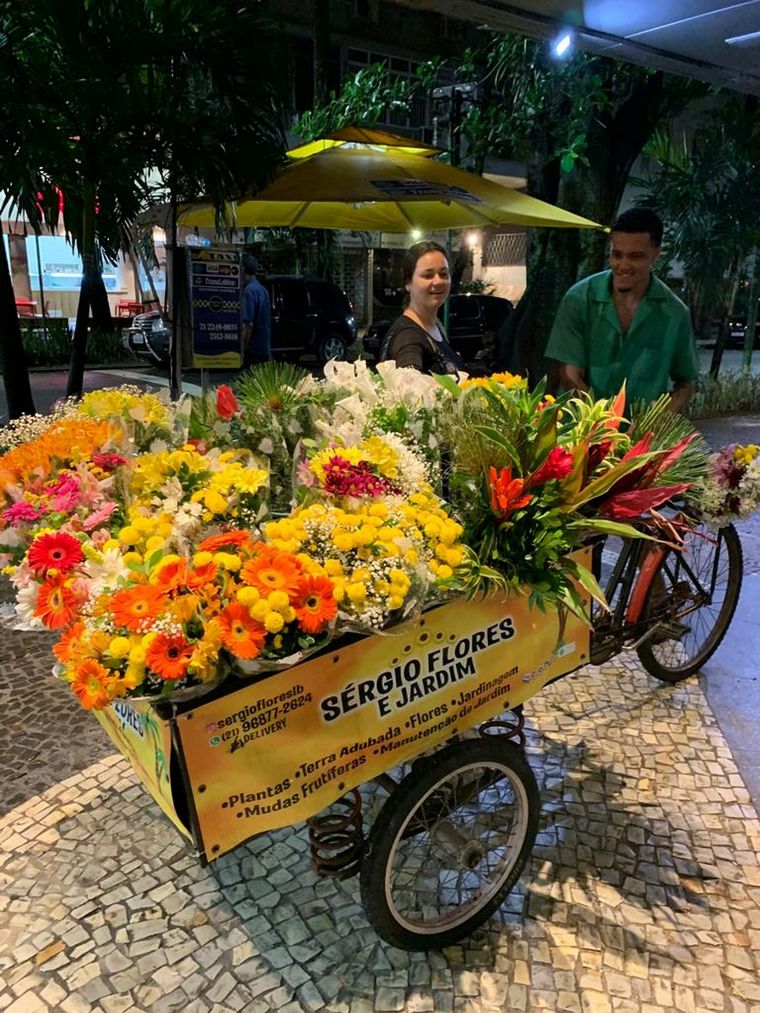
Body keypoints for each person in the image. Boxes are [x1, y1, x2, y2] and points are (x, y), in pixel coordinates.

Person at [545, 208, 698, 413]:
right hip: (581, 432)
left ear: (656, 254)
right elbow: (569, 375)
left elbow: (686, 383)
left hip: (645, 439)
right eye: (617, 255)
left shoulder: (675, 313)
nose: (623, 265)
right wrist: (605, 425)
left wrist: (654, 424)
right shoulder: (578, 299)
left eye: (635, 257)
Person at [379, 240, 465, 375]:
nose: (438, 281)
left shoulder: (434, 325)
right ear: (408, 283)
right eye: (428, 275)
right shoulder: (408, 338)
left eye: (443, 274)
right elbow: (409, 392)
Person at [241, 253, 272, 368]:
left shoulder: (248, 291)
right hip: (264, 347)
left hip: (253, 350)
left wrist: (242, 349)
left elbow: (248, 324)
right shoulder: (262, 289)